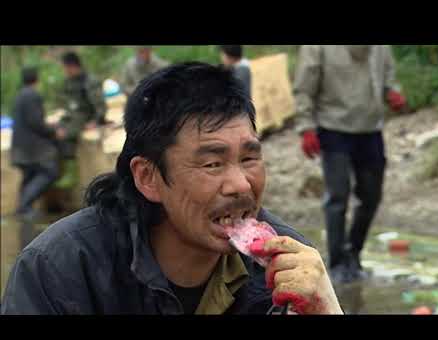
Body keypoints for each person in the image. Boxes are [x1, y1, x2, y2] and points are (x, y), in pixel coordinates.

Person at [1, 63, 343, 315]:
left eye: (250, 158)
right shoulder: (59, 270)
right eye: (212, 163)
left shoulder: (288, 268)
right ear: (148, 177)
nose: (241, 184)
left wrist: (326, 308)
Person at [293, 45, 407, 284]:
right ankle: (336, 264)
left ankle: (353, 252)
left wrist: (391, 92)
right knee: (337, 197)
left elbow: (387, 76)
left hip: (370, 129)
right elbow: (304, 88)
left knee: (371, 196)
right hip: (333, 127)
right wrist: (306, 128)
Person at [10, 67, 62, 219]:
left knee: (29, 176)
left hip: (20, 147)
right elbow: (36, 122)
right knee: (49, 172)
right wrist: (53, 131)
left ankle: (23, 208)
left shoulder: (19, 95)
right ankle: (24, 207)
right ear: (36, 80)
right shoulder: (32, 95)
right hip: (32, 148)